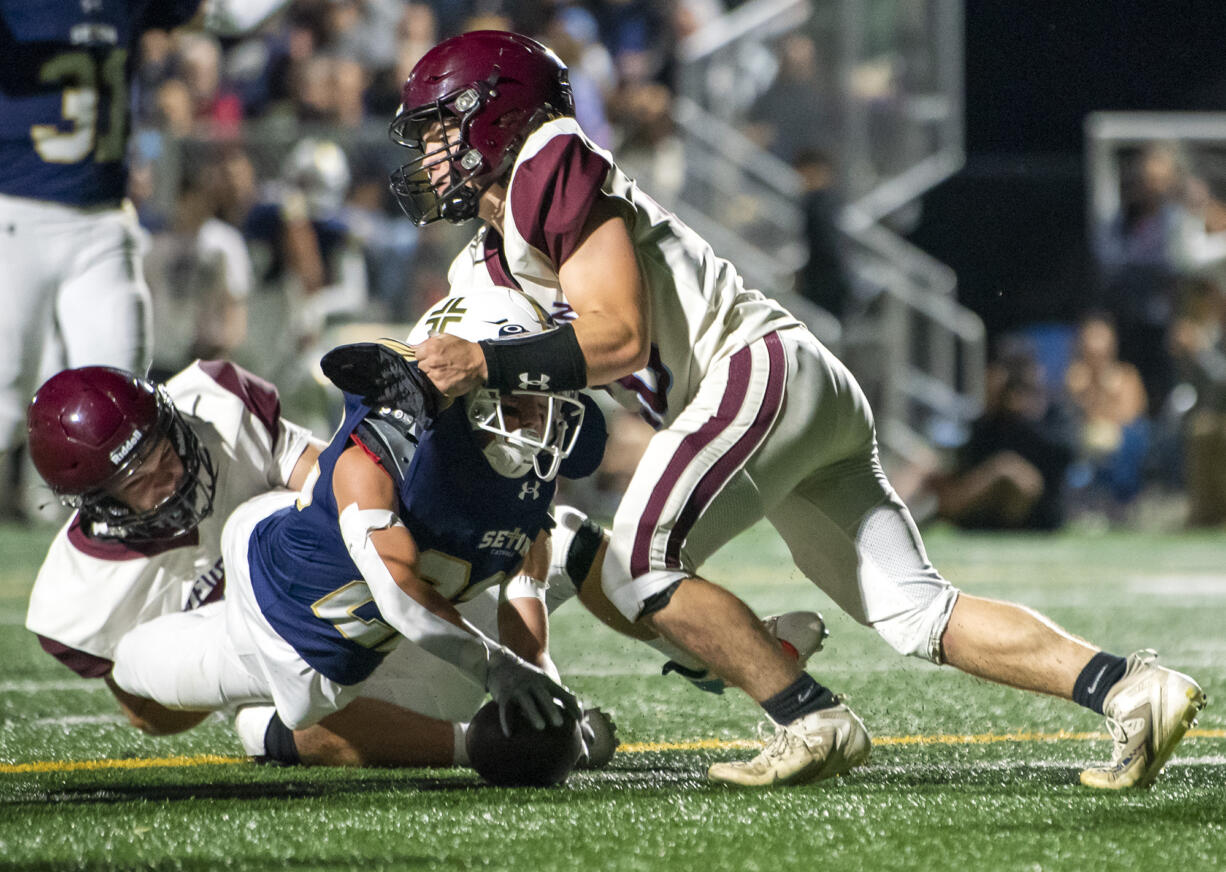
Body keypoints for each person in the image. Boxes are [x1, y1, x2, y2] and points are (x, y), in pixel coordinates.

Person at [373, 30, 1206, 789]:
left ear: (496, 116)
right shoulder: (492, 251)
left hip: (751, 372)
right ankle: (1131, 687)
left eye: (442, 127)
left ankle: (808, 717)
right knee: (918, 612)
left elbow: (619, 336)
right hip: (791, 387)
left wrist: (484, 359)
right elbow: (480, 334)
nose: (433, 153)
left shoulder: (549, 155)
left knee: (636, 562)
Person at [109, 288, 609, 765]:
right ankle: (255, 706)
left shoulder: (530, 463)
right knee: (131, 661)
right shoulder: (383, 455)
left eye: (541, 402)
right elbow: (396, 592)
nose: (534, 424)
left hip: (392, 629)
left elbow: (525, 581)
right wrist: (500, 668)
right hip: (282, 620)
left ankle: (265, 729)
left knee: (458, 683)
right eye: (515, 404)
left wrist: (543, 682)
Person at [0, 0, 297, 521]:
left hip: (103, 225)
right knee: (3, 405)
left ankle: (114, 544)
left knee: (124, 403)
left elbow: (233, 15)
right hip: (13, 218)